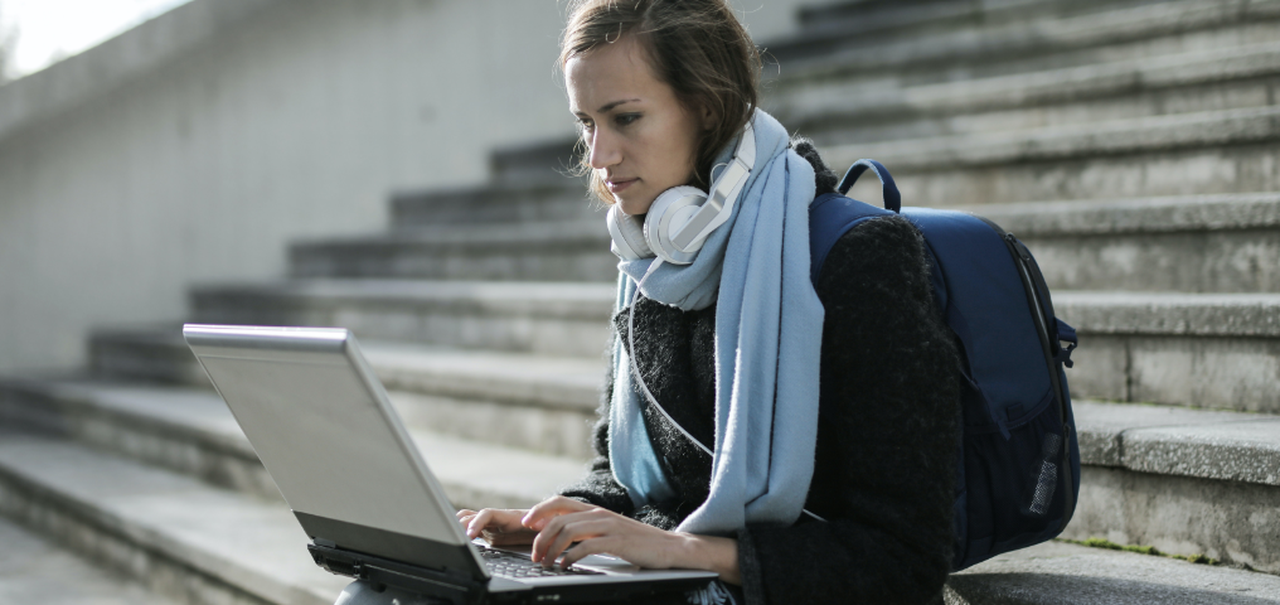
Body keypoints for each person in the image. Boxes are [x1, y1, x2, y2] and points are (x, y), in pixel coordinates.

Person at [345, 1, 962, 603]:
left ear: (708, 107)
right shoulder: (653, 259)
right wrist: (552, 521)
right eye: (587, 122)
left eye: (626, 118)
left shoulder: (862, 258)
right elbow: (620, 474)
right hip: (673, 584)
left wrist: (684, 551)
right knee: (379, 591)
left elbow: (907, 558)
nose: (599, 158)